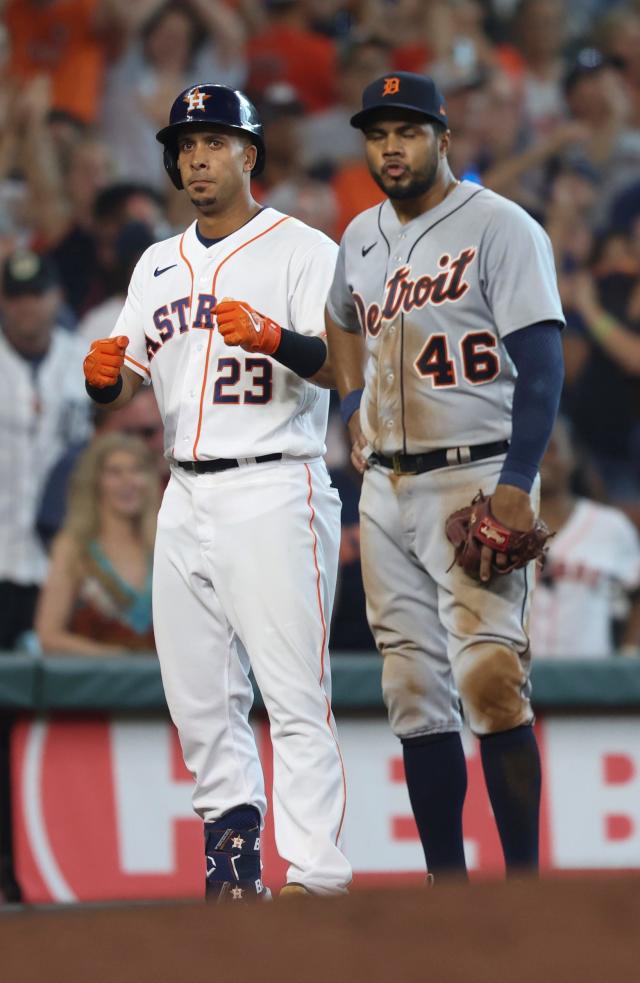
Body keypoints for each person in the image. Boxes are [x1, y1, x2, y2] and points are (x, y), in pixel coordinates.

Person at [82, 82, 350, 901]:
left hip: (277, 481)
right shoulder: (156, 262)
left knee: (294, 690)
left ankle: (317, 873)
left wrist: (278, 339)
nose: (197, 157)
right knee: (199, 696)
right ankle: (233, 869)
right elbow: (125, 373)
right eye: (185, 145)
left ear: (249, 154)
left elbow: (347, 369)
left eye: (213, 142)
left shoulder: (304, 249)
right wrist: (102, 384)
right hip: (184, 491)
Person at [325, 72, 565, 880]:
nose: (391, 147)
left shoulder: (501, 226)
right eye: (378, 133)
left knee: (491, 678)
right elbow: (340, 316)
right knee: (413, 692)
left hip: (476, 473)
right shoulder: (359, 235)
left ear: (442, 136)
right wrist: (355, 399)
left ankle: (525, 884)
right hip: (386, 487)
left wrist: (517, 479)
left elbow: (542, 366)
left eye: (408, 131)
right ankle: (445, 891)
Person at [0, 249, 91, 652]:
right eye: (16, 296)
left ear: (57, 298)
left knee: (52, 698)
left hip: (62, 564)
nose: (27, 307)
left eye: (36, 295)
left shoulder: (85, 359)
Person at [35, 433, 159, 655]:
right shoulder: (74, 548)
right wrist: (117, 658)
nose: (127, 482)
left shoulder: (163, 545)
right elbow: (48, 636)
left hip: (159, 686)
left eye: (136, 470)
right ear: (95, 481)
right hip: (96, 684)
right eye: (115, 472)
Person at [530, 418, 640, 660]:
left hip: (591, 682)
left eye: (551, 448)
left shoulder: (610, 526)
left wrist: (630, 653)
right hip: (515, 681)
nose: (541, 457)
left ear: (573, 458)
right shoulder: (501, 525)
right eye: (532, 447)